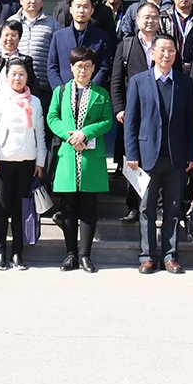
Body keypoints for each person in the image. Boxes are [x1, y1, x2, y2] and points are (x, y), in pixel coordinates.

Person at [124, 34, 193, 274]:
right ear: (153, 53)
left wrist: (190, 155)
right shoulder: (139, 81)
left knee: (173, 208)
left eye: (171, 50)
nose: (167, 55)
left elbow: (190, 122)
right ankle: (147, 256)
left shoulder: (185, 83)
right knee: (146, 209)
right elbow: (131, 122)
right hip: (146, 157)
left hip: (176, 157)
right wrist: (131, 153)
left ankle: (170, 256)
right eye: (162, 50)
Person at [47, 46, 112, 272]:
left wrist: (85, 133)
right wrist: (70, 136)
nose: (82, 70)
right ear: (71, 67)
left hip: (90, 158)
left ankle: (85, 255)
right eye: (78, 66)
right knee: (68, 208)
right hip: (68, 155)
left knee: (88, 208)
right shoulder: (61, 91)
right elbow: (52, 117)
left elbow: (107, 121)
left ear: (93, 68)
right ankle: (70, 254)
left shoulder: (101, 93)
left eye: (87, 66)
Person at [0, 57, 47, 270]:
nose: (17, 78)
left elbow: (40, 133)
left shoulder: (34, 101)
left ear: (27, 77)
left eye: (21, 74)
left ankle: (17, 253)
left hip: (27, 161)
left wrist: (40, 161)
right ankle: (0, 252)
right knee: (2, 207)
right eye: (13, 74)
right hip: (2, 161)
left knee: (21, 208)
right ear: (6, 76)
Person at [47, 0, 114, 97]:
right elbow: (52, 67)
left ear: (92, 11)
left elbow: (104, 67)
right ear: (71, 10)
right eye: (78, 6)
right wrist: (61, 91)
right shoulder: (58, 36)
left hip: (92, 94)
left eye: (86, 7)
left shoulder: (102, 37)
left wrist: (90, 90)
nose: (81, 11)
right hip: (63, 94)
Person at [15, 0, 58, 95]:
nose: (33, 1)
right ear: (21, 0)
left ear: (42, 2)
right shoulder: (12, 22)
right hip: (16, 84)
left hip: (43, 84)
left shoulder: (52, 24)